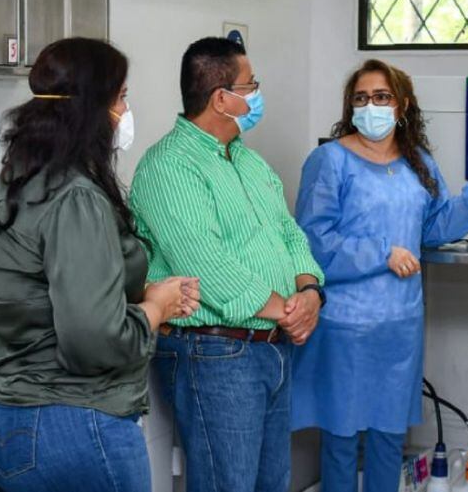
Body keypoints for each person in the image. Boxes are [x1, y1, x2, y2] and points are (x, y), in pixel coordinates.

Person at [0, 38, 200, 492]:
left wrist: (140, 293)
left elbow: (49, 289)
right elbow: (93, 341)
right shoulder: (77, 196)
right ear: (94, 108)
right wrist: (157, 309)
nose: (126, 111)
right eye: (122, 97)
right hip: (70, 425)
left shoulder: (18, 177)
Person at [291, 59, 468, 492]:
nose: (371, 105)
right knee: (341, 438)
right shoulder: (330, 160)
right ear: (350, 106)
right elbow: (314, 241)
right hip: (345, 327)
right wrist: (381, 253)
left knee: (390, 437)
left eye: (382, 97)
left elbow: (434, 228)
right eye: (361, 98)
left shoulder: (417, 162)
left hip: (400, 326)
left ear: (402, 104)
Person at [129, 37, 325, 492]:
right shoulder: (168, 168)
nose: (257, 95)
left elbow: (289, 232)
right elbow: (207, 265)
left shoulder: (250, 162)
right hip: (217, 354)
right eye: (250, 85)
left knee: (271, 484)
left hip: (273, 346)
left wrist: (311, 291)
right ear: (222, 98)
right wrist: (289, 310)